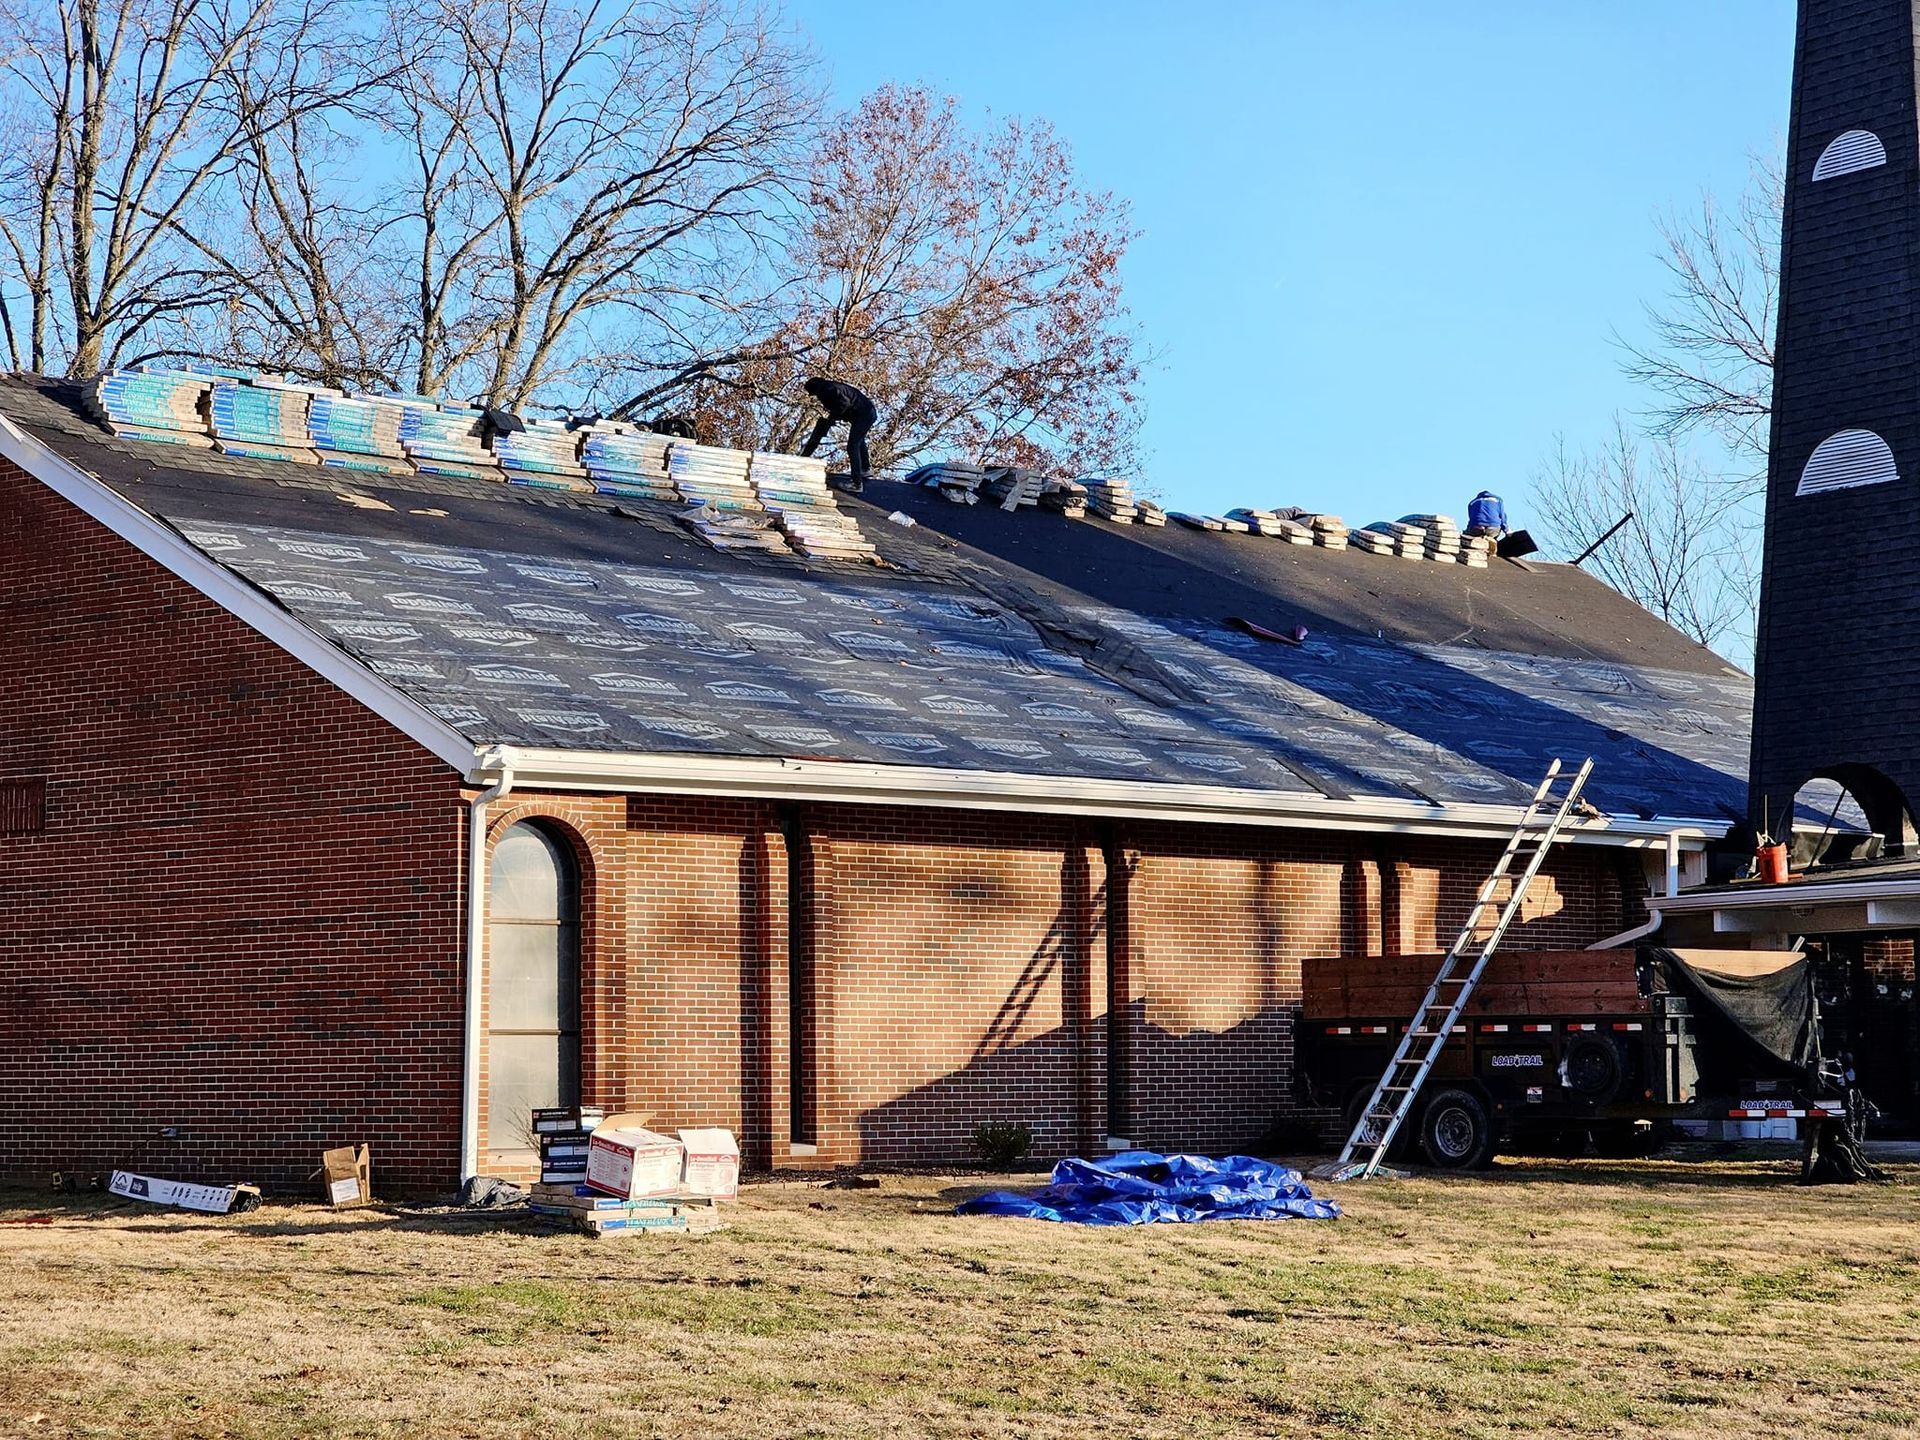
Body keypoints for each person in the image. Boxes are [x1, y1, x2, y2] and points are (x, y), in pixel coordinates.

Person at [799, 377, 877, 491]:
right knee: (859, 440)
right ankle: (865, 469)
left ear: (816, 389)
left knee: (852, 446)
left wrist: (832, 418)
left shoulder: (828, 389)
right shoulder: (831, 387)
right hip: (867, 412)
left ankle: (856, 484)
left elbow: (844, 404)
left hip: (864, 414)